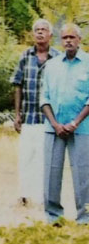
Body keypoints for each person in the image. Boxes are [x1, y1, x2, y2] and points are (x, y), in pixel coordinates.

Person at [38, 23, 89, 224]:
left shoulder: (87, 63)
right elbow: (44, 98)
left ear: (79, 40)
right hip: (54, 129)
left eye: (72, 37)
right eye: (65, 37)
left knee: (83, 173)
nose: (68, 41)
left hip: (82, 128)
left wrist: (75, 122)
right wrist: (55, 124)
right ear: (60, 40)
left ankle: (85, 217)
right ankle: (53, 217)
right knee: (51, 173)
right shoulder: (52, 65)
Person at [12, 19, 57, 207]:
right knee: (25, 157)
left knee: (43, 159)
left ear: (50, 35)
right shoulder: (25, 56)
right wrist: (17, 114)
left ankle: (41, 197)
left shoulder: (58, 58)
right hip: (29, 117)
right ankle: (24, 195)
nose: (40, 33)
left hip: (49, 119)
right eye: (37, 30)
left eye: (44, 30)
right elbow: (17, 84)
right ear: (33, 34)